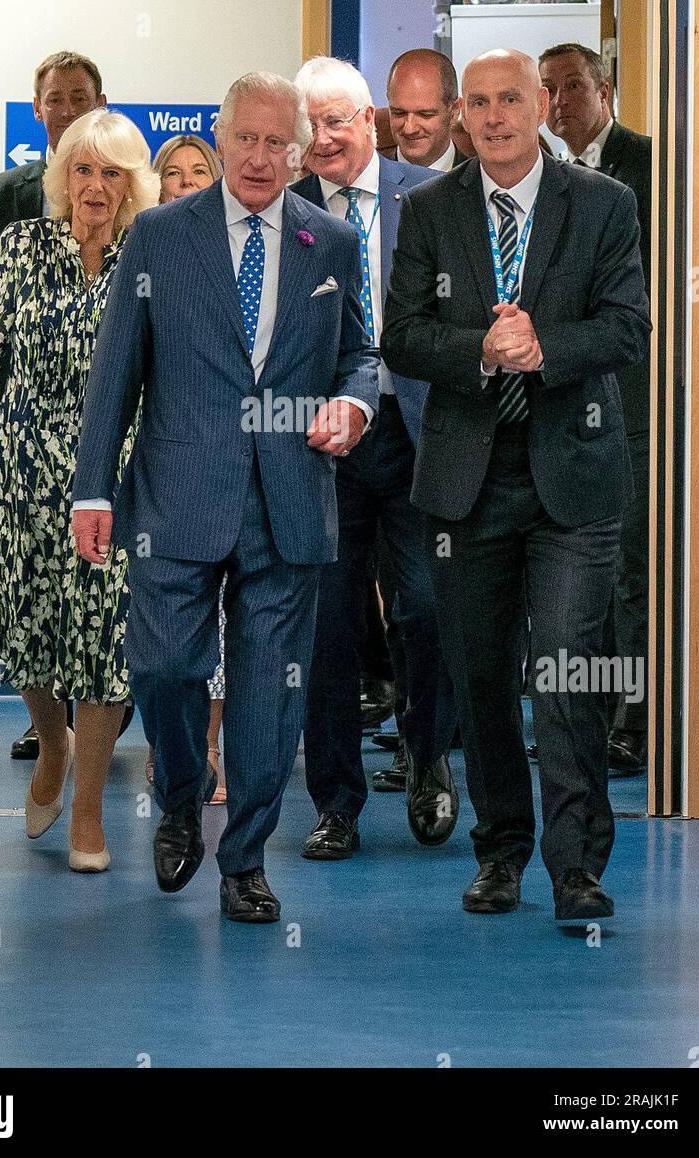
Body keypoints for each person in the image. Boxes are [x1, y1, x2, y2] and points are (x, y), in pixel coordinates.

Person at [71, 71, 379, 924]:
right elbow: (115, 375)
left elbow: (361, 352)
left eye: (278, 142)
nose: (259, 157)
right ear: (220, 135)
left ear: (300, 148)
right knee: (165, 664)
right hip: (176, 493)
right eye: (245, 138)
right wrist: (91, 491)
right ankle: (178, 792)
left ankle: (243, 861)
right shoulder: (161, 237)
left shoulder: (333, 243)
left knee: (268, 697)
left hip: (288, 500)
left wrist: (353, 401)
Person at [382, 49, 651, 922]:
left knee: (566, 675)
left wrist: (544, 347)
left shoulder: (605, 204)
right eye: (480, 103)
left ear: (542, 106)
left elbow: (627, 327)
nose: (495, 117)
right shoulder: (427, 210)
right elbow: (403, 336)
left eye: (511, 100)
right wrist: (478, 351)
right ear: (462, 115)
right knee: (483, 679)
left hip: (572, 479)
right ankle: (500, 853)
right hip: (466, 483)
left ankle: (577, 868)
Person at [0, 109, 160, 873]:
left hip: (114, 474)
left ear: (135, 183)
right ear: (63, 175)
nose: (95, 186)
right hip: (27, 468)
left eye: (112, 172)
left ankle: (90, 812)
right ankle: (53, 743)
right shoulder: (20, 245)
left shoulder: (152, 249)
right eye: (83, 169)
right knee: (29, 637)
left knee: (101, 646)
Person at [292, 55, 458, 859]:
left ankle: (429, 757)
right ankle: (336, 803)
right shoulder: (283, 210)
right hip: (321, 445)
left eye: (337, 121)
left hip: (416, 434)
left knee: (425, 607)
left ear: (370, 122)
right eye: (309, 124)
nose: (323, 138)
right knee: (326, 629)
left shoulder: (426, 196)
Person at [0, 50, 109, 764]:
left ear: (100, 102)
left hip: (108, 446)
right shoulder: (5, 200)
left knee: (100, 603)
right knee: (30, 594)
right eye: (56, 97)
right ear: (36, 105)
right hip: (24, 440)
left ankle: (96, 754)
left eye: (81, 96)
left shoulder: (144, 222)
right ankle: (52, 733)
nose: (68, 108)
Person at [540, 43, 652, 775]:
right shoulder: (542, 180)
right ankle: (585, 719)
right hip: (559, 404)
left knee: (633, 567)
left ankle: (635, 722)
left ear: (604, 89)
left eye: (572, 87)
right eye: (546, 89)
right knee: (584, 572)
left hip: (637, 398)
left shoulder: (648, 164)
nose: (558, 104)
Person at [150, 133, 228, 803]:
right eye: (171, 173)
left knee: (227, 626)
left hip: (240, 461)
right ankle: (172, 748)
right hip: (167, 469)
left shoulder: (255, 247)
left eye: (197, 171)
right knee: (168, 638)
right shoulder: (151, 249)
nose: (184, 181)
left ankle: (209, 747)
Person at [386, 48, 466, 172]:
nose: (409, 129)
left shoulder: (485, 184)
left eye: (425, 115)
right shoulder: (364, 184)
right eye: (399, 113)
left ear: (454, 112)